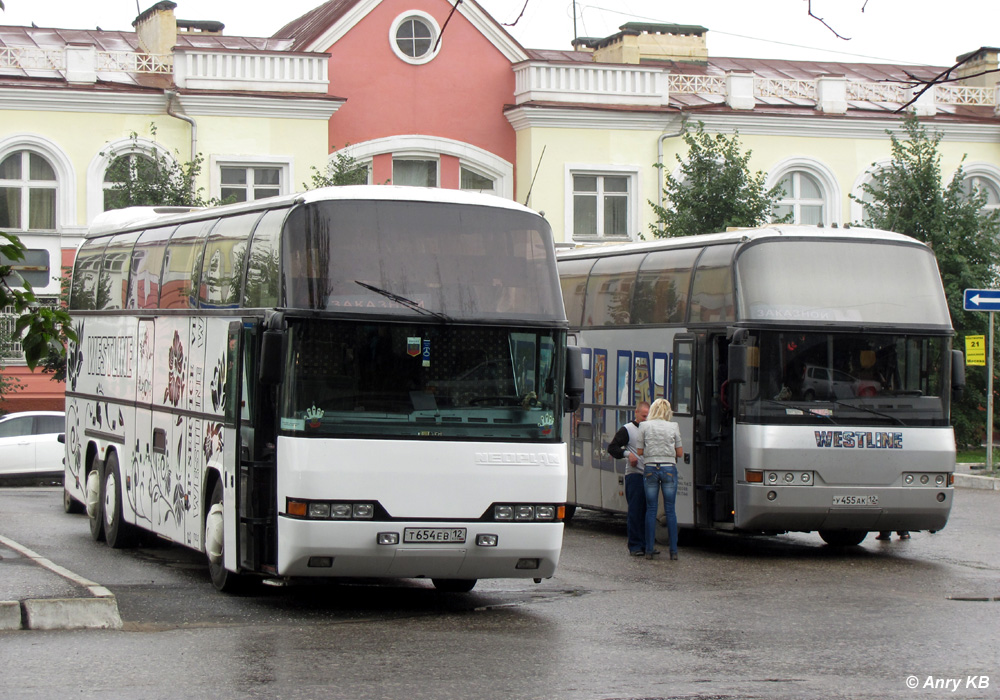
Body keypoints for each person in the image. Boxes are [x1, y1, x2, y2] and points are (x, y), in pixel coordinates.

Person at [636, 398, 683, 560]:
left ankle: (649, 550)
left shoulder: (644, 426)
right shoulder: (673, 426)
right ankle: (673, 551)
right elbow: (680, 453)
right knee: (670, 510)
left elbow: (640, 451)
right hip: (669, 468)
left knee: (651, 510)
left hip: (650, 468)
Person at [607, 401, 650, 556]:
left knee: (649, 512)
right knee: (636, 511)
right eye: (644, 416)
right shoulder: (628, 429)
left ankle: (647, 544)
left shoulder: (650, 430)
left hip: (649, 474)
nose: (646, 419)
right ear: (636, 413)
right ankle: (635, 546)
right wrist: (627, 454)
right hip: (635, 475)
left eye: (648, 416)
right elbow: (612, 448)